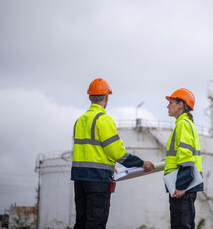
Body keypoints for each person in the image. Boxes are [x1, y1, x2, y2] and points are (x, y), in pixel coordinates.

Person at [71, 78, 155, 229]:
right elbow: (116, 152)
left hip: (79, 179)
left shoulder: (79, 121)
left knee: (81, 222)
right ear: (107, 97)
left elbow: (89, 152)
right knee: (96, 224)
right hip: (97, 180)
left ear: (90, 97)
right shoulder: (104, 120)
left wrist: (108, 166)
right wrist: (142, 163)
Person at [164, 88, 204, 229]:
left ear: (180, 105)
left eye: (171, 102)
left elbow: (186, 157)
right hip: (186, 183)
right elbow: (182, 154)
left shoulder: (182, 124)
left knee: (181, 225)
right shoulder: (186, 124)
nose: (168, 106)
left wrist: (181, 185)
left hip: (183, 185)